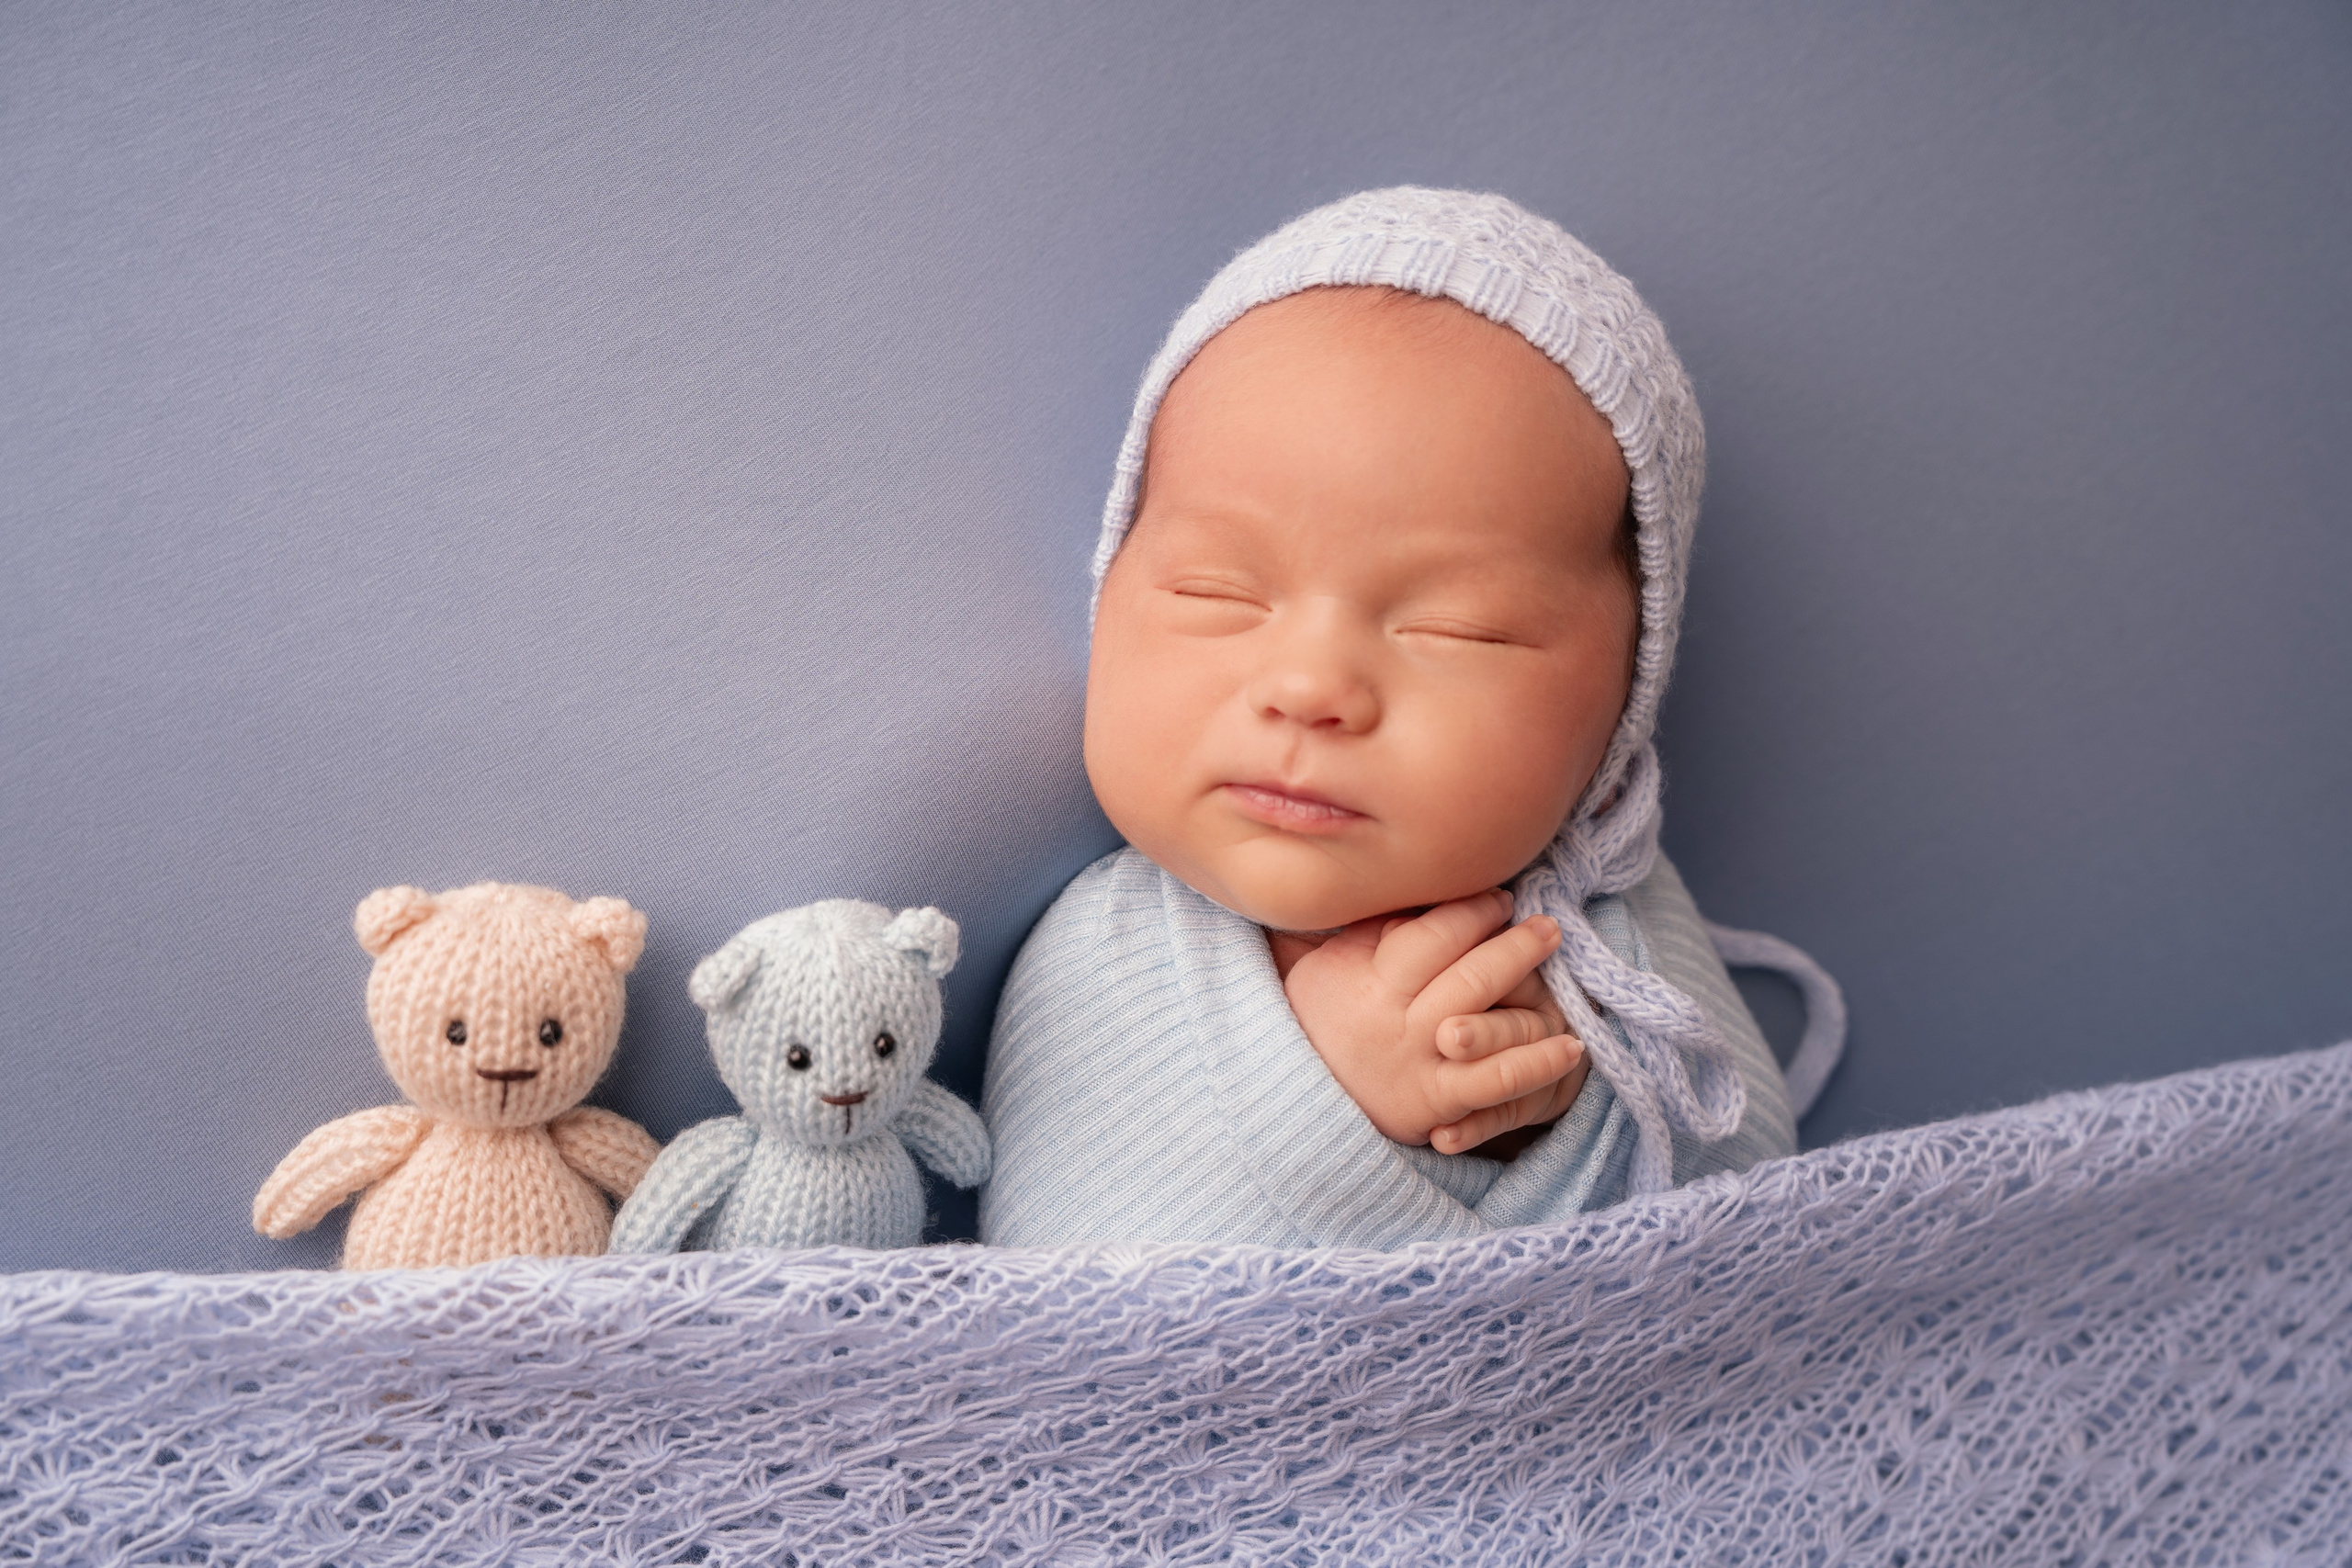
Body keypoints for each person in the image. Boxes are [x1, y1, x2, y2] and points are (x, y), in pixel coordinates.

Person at [979, 187, 1804, 1248]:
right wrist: (1326, 1110)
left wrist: (1556, 1100)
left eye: (1460, 631)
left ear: (1619, 716)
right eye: (1216, 594)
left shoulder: (1613, 951)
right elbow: (1061, 1296)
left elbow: (1759, 1216)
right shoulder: (1105, 953)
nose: (1310, 687)